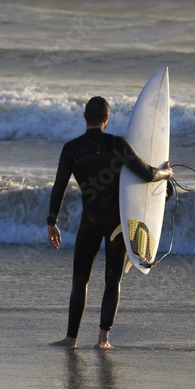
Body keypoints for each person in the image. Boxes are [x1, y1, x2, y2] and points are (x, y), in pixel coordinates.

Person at [47, 96, 173, 349]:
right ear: (107, 119)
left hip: (89, 221)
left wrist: (52, 222)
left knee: (80, 281)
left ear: (84, 117)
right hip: (117, 222)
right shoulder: (118, 144)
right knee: (113, 280)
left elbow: (59, 188)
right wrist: (166, 172)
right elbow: (148, 174)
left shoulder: (71, 148)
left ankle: (71, 339)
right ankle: (103, 340)